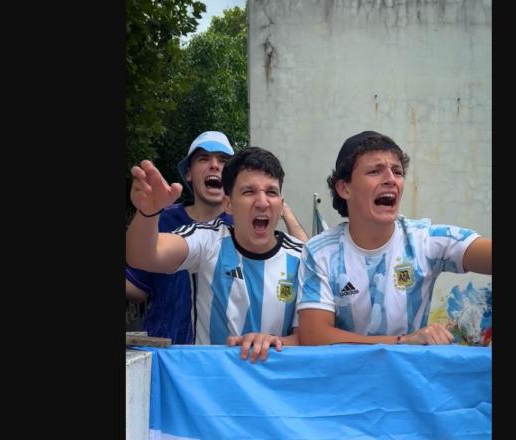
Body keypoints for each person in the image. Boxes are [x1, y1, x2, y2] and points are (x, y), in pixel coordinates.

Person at [296, 131, 492, 346]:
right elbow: (314, 336)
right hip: (347, 378)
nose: (391, 179)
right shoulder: (320, 251)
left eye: (397, 172)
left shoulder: (422, 240)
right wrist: (403, 341)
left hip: (409, 377)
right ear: (344, 188)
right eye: (374, 171)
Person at [125, 131, 307, 344]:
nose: (262, 202)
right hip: (197, 368)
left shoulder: (302, 256)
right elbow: (143, 257)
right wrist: (147, 213)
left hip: (276, 376)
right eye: (248, 191)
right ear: (228, 203)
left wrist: (276, 343)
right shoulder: (206, 238)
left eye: (271, 192)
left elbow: (311, 335)